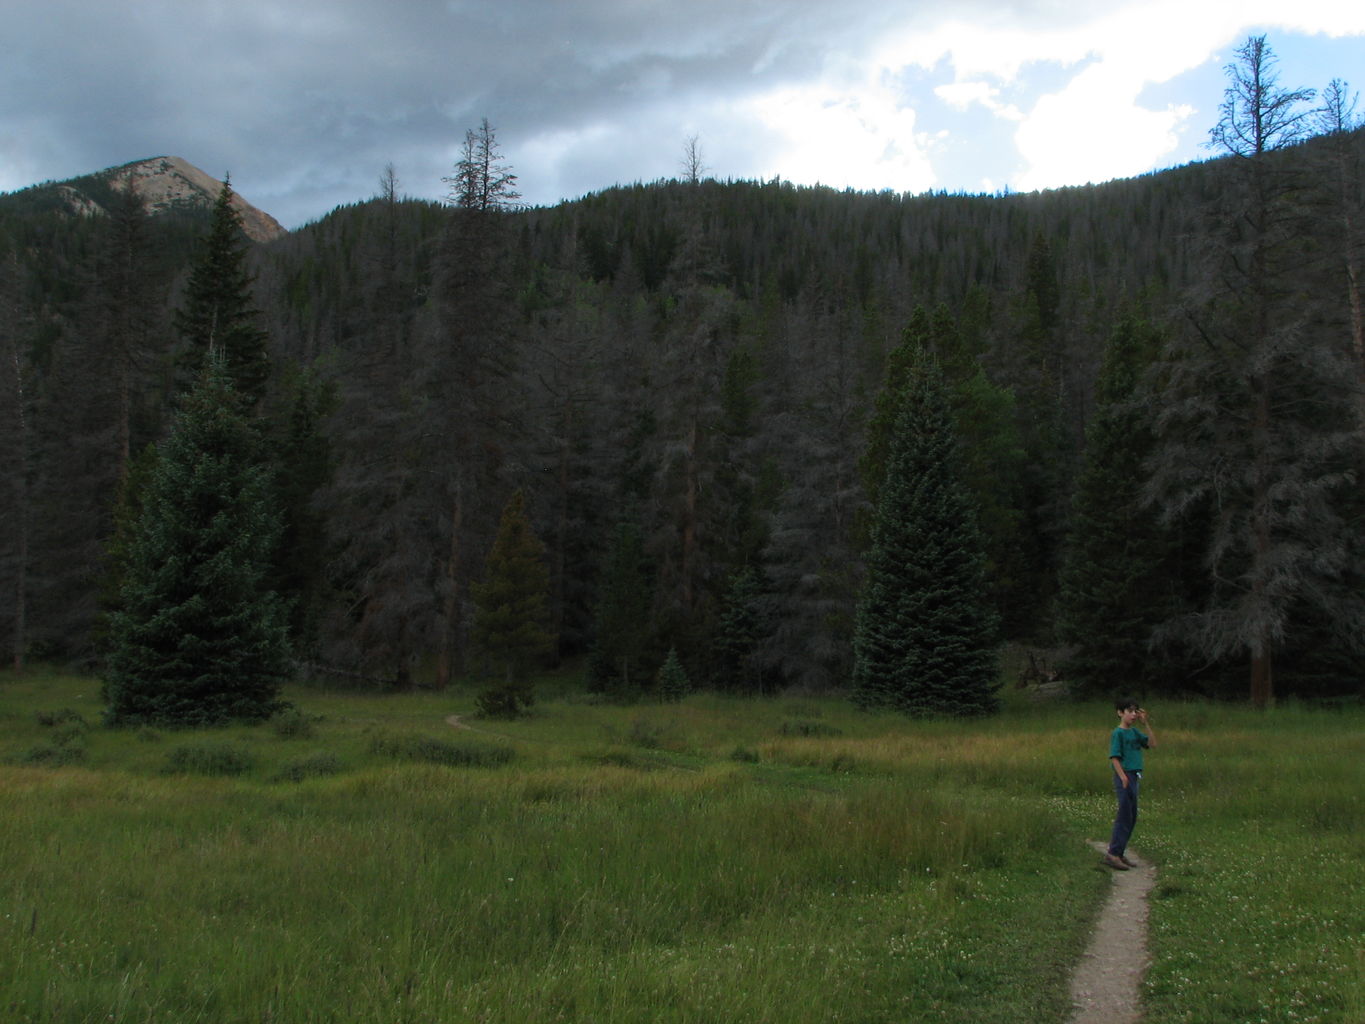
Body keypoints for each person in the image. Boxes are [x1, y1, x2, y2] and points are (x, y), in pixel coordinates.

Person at [1104, 697, 1155, 871]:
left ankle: (1119, 851)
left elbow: (1152, 743)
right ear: (1120, 713)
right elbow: (1114, 757)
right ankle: (1113, 853)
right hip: (1124, 776)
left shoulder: (1134, 733)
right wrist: (1123, 777)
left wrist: (1145, 723)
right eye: (1129, 711)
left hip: (1135, 775)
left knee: (1132, 816)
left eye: (1135, 711)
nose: (1133, 714)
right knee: (1124, 815)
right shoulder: (1118, 733)